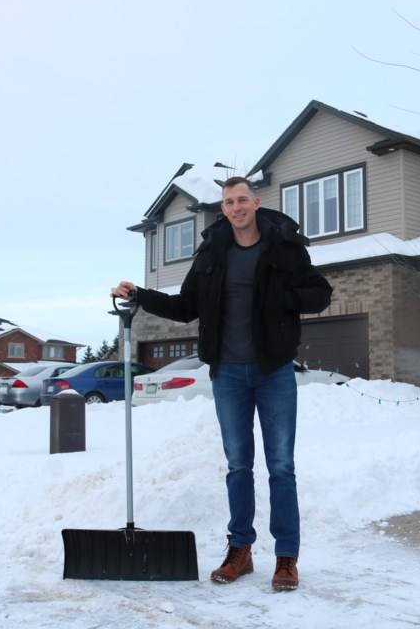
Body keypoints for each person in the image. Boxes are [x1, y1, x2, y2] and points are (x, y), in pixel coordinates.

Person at [111, 176, 332, 591]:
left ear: (256, 202)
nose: (236, 207)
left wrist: (285, 299)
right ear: (224, 208)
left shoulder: (283, 244)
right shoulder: (213, 250)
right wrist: (139, 294)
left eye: (242, 199)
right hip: (228, 372)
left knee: (281, 467)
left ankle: (286, 558)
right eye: (229, 202)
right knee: (238, 467)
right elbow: (186, 306)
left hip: (274, 370)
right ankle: (240, 550)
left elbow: (321, 294)